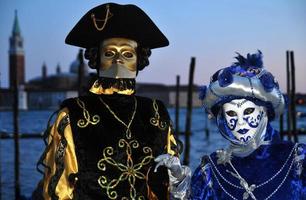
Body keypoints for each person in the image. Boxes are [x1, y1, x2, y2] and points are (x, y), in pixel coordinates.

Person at [33, 3, 180, 200]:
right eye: (109, 53)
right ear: (96, 58)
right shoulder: (74, 115)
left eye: (127, 54)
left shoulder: (156, 112)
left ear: (139, 60)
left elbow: (166, 181)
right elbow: (59, 192)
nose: (118, 60)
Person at [156, 51, 306, 199]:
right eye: (232, 114)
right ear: (223, 118)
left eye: (248, 111)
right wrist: (178, 178)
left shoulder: (297, 161)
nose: (240, 121)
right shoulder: (212, 169)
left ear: (265, 112)